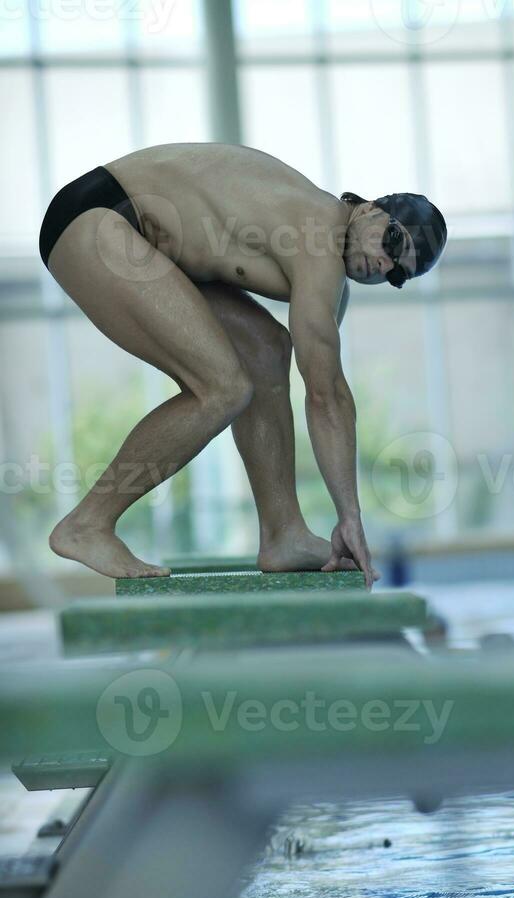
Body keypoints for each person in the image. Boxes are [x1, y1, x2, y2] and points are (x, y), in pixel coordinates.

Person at [39, 143, 447, 588]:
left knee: (267, 351)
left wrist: (345, 511)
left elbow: (321, 385)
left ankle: (283, 534)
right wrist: (350, 518)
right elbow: (326, 396)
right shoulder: (319, 235)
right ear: (369, 209)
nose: (382, 264)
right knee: (222, 388)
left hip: (149, 241)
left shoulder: (327, 277)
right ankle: (87, 524)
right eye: (391, 241)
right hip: (100, 219)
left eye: (395, 273)